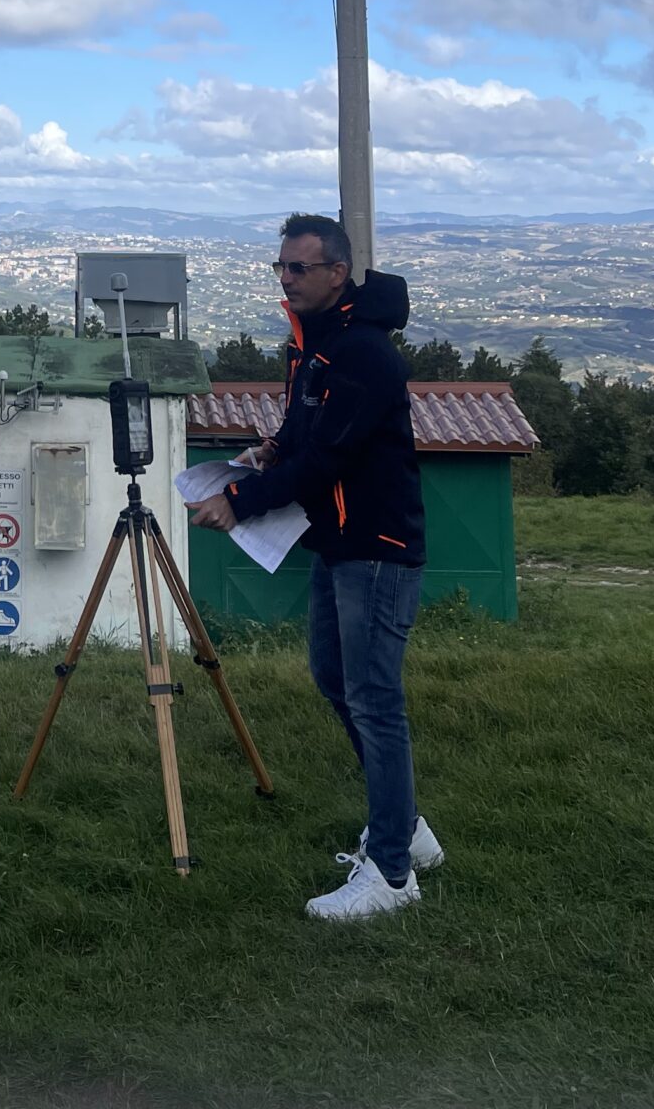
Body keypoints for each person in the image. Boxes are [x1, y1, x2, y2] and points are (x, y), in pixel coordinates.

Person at [187, 211, 442, 922]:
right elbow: (310, 431)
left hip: (376, 549)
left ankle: (392, 875)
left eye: (299, 268)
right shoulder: (318, 344)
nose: (287, 279)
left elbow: (333, 456)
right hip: (337, 543)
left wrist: (240, 500)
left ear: (337, 271)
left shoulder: (363, 352)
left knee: (374, 700)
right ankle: (407, 832)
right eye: (281, 266)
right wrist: (271, 449)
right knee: (336, 679)